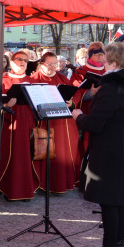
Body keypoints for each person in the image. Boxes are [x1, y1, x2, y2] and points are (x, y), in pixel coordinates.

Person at [73, 43, 124, 247]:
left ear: (114, 63)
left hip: (109, 149)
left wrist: (78, 116)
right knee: (120, 200)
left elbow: (96, 124)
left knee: (108, 201)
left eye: (105, 60)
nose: (103, 64)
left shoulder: (111, 87)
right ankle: (119, 246)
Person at [31, 51, 81, 193]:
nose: (53, 67)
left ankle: (62, 183)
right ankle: (44, 184)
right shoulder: (34, 79)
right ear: (41, 64)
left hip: (64, 124)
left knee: (64, 154)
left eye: (55, 64)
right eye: (49, 64)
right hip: (45, 123)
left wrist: (71, 102)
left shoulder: (63, 79)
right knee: (46, 152)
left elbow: (75, 93)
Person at [0, 50, 40, 201]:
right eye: (18, 59)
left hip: (28, 122)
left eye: (25, 60)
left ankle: (25, 190)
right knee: (11, 156)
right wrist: (5, 105)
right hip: (9, 124)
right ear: (11, 61)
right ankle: (9, 189)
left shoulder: (32, 81)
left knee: (26, 156)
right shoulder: (2, 79)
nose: (22, 62)